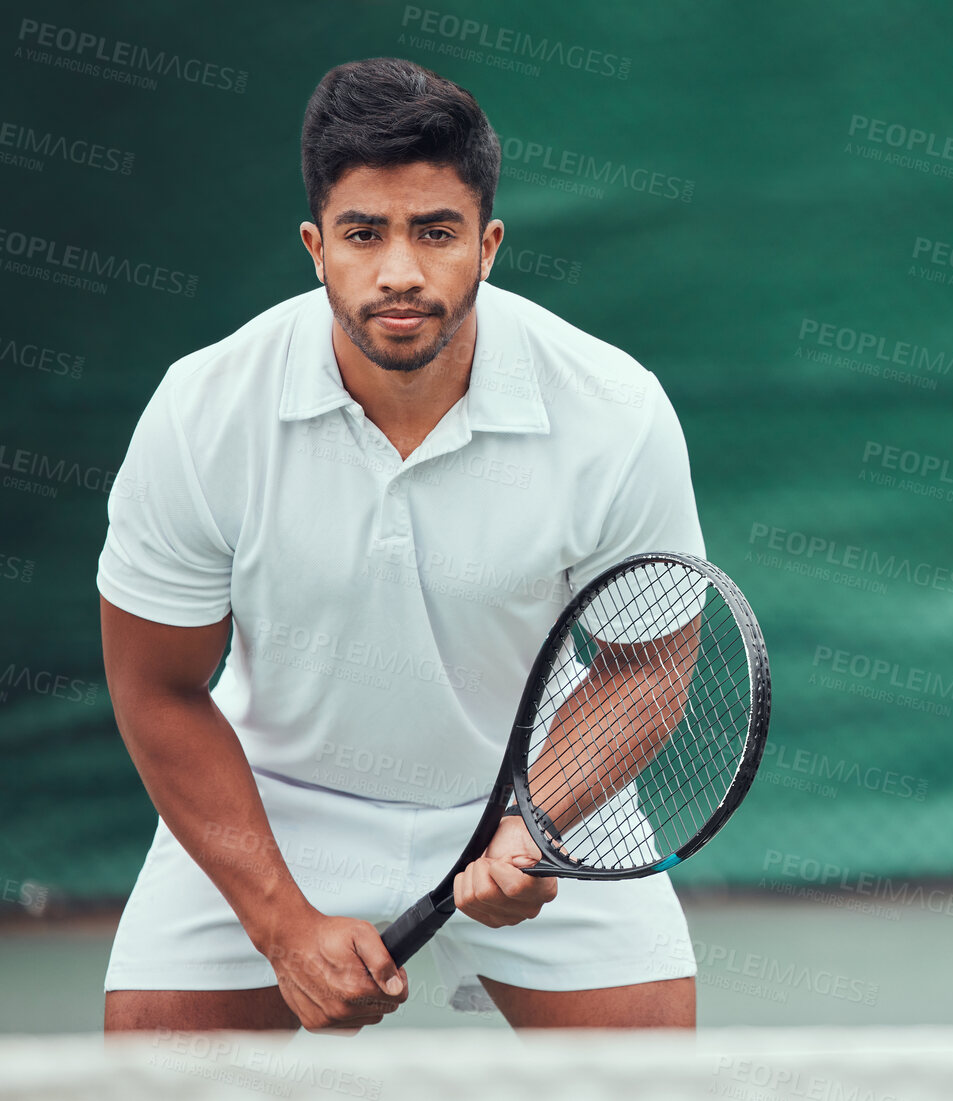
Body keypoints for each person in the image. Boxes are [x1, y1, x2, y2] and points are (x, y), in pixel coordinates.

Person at [98, 58, 702, 1032]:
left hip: (534, 793)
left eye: (436, 232)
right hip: (274, 800)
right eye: (363, 233)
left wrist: (533, 827)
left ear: (489, 244)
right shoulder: (203, 410)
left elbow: (649, 666)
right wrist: (282, 925)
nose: (400, 272)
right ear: (315, 246)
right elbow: (154, 688)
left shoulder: (614, 411)